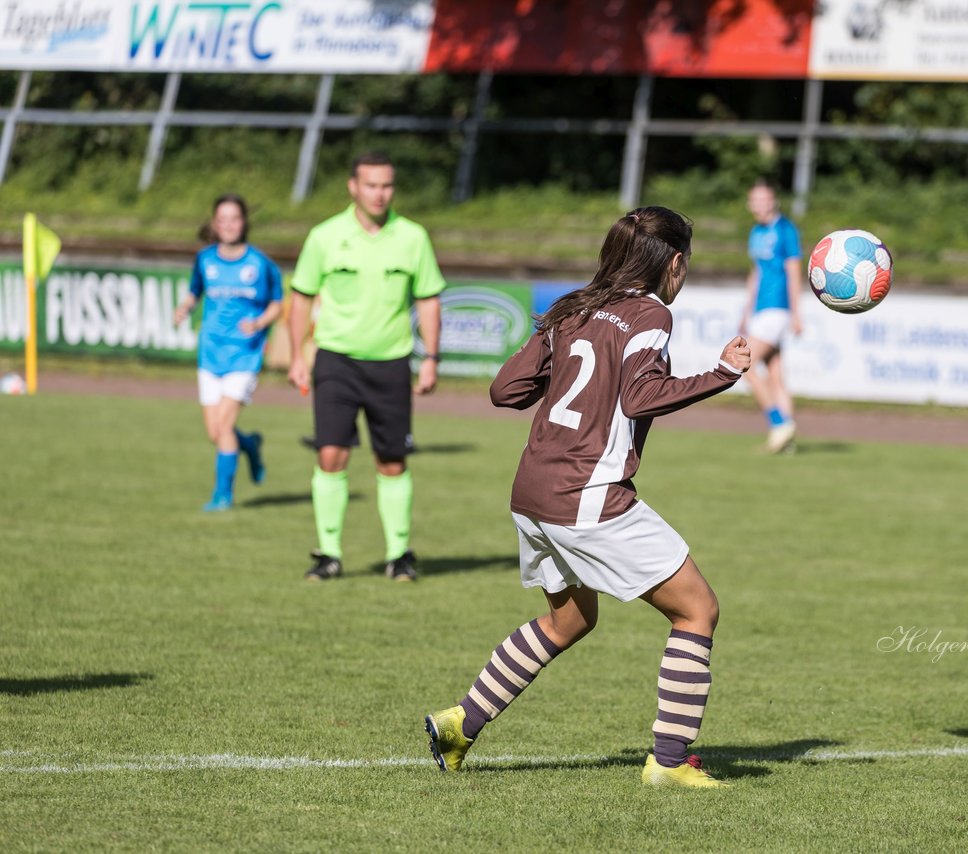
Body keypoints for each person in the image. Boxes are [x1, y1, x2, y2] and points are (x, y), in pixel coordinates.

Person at [423, 206, 752, 788]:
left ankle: (459, 724)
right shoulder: (651, 313)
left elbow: (506, 390)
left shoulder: (573, 307)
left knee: (568, 622)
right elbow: (641, 396)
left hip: (532, 493)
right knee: (698, 609)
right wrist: (722, 373)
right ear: (673, 263)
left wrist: (561, 360)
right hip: (587, 493)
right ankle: (670, 763)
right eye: (686, 263)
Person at [287, 152, 446, 581]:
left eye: (387, 185)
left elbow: (428, 298)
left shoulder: (412, 237)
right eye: (371, 185)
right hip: (336, 360)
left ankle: (399, 555)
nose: (380, 193)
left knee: (392, 461)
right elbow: (301, 296)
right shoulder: (324, 236)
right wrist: (299, 354)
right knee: (331, 454)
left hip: (392, 363)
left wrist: (430, 357)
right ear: (353, 186)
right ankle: (328, 554)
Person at [173, 193, 282, 512]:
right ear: (214, 224)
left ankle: (223, 496)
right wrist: (183, 309)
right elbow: (195, 291)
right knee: (214, 432)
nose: (229, 225)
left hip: (245, 356)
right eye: (223, 219)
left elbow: (278, 302)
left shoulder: (260, 263)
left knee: (222, 428)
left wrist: (260, 321)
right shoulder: (205, 259)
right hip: (210, 354)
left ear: (244, 222)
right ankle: (249, 445)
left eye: (235, 218)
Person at [741, 179, 804, 453]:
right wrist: (746, 311)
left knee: (747, 365)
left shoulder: (786, 229)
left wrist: (796, 313)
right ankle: (786, 440)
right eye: (755, 200)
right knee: (776, 374)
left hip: (777, 309)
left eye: (764, 199)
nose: (760, 204)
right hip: (760, 310)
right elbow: (756, 272)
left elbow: (793, 271)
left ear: (774, 201)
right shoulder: (755, 232)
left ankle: (778, 423)